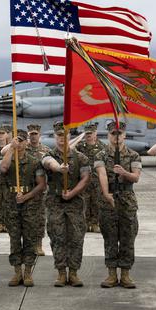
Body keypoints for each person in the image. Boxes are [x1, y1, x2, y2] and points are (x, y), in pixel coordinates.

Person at [41, 122, 91, 287]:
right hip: (55, 203)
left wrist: (72, 193)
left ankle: (74, 273)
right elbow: (48, 162)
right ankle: (61, 272)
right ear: (55, 137)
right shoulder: (48, 155)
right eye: (59, 136)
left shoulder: (80, 157)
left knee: (76, 238)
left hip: (75, 204)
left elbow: (85, 178)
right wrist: (58, 168)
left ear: (70, 137)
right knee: (57, 237)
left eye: (65, 135)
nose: (62, 139)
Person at [95, 120, 143, 288]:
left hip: (127, 200)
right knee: (109, 237)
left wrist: (124, 172)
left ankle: (125, 274)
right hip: (108, 200)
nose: (116, 137)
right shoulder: (101, 155)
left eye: (119, 133)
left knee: (128, 237)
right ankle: (111, 274)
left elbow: (136, 177)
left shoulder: (133, 155)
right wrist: (107, 194)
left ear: (124, 135)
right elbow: (101, 174)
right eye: (113, 133)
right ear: (108, 135)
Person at [0, 129, 47, 287]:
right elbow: (3, 168)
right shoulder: (8, 158)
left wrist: (26, 197)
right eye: (15, 140)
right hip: (11, 204)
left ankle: (27, 273)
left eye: (21, 140)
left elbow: (41, 185)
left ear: (26, 142)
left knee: (29, 239)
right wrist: (11, 148)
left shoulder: (34, 162)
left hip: (29, 204)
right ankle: (17, 272)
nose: (18, 142)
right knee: (14, 239)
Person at [70, 121, 102, 233]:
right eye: (87, 133)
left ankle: (94, 223)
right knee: (84, 202)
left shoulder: (102, 146)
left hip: (97, 181)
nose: (89, 136)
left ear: (95, 133)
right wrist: (80, 138)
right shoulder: (80, 146)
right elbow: (68, 148)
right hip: (83, 180)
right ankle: (85, 223)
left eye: (91, 133)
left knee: (97, 202)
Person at [26, 123, 50, 256]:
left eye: (35, 134)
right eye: (31, 134)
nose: (33, 137)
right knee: (27, 219)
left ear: (39, 135)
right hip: (27, 189)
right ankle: (29, 245)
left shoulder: (46, 150)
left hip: (41, 190)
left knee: (40, 218)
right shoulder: (23, 149)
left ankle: (38, 245)